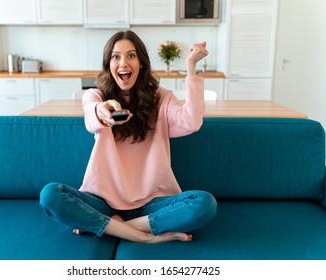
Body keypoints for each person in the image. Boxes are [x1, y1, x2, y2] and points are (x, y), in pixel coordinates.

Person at [40, 30, 217, 243]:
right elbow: (92, 114)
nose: (123, 63)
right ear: (109, 64)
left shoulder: (161, 98)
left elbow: (191, 122)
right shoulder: (95, 96)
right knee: (50, 194)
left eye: (131, 55)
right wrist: (103, 112)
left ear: (141, 62)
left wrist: (191, 68)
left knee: (204, 204)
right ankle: (145, 237)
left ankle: (113, 227)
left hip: (152, 202)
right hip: (102, 201)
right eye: (116, 57)